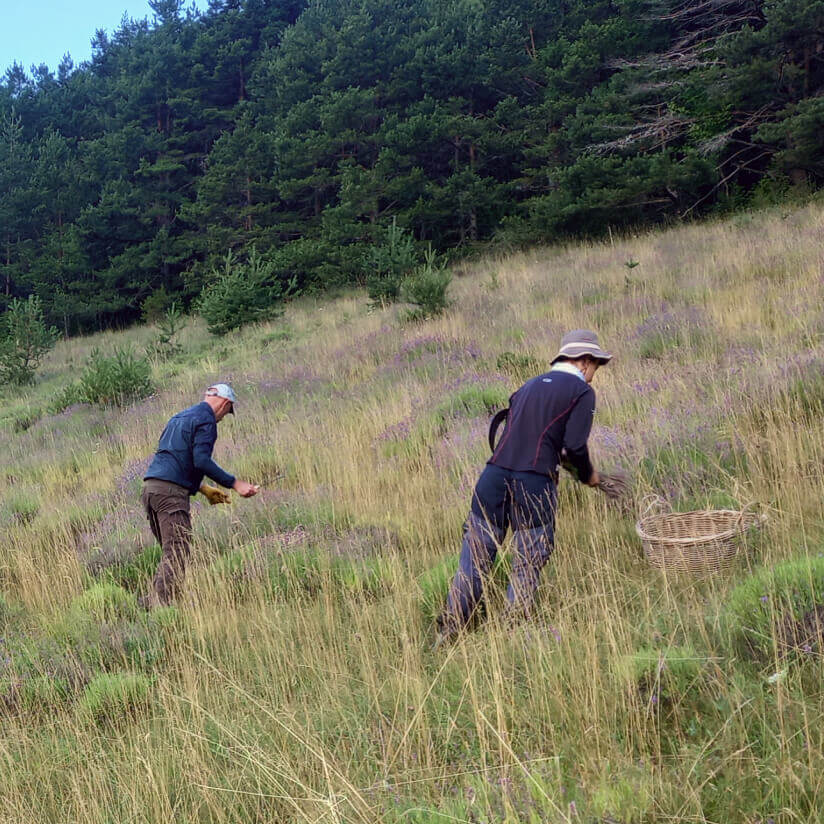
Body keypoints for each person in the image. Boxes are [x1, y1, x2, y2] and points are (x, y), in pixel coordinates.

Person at [436, 330, 612, 643]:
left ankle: (448, 634)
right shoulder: (582, 392)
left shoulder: (528, 386)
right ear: (585, 362)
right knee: (528, 562)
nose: (594, 376)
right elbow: (572, 448)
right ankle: (514, 634)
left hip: (491, 480)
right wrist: (589, 476)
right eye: (596, 367)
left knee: (473, 561)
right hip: (534, 484)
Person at [140, 383, 259, 607]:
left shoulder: (179, 418)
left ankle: (153, 604)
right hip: (170, 494)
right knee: (177, 551)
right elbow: (201, 460)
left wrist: (202, 488)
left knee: (171, 552)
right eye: (227, 413)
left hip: (150, 490)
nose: (223, 418)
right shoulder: (207, 421)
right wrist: (236, 484)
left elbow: (175, 458)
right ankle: (164, 609)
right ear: (225, 404)